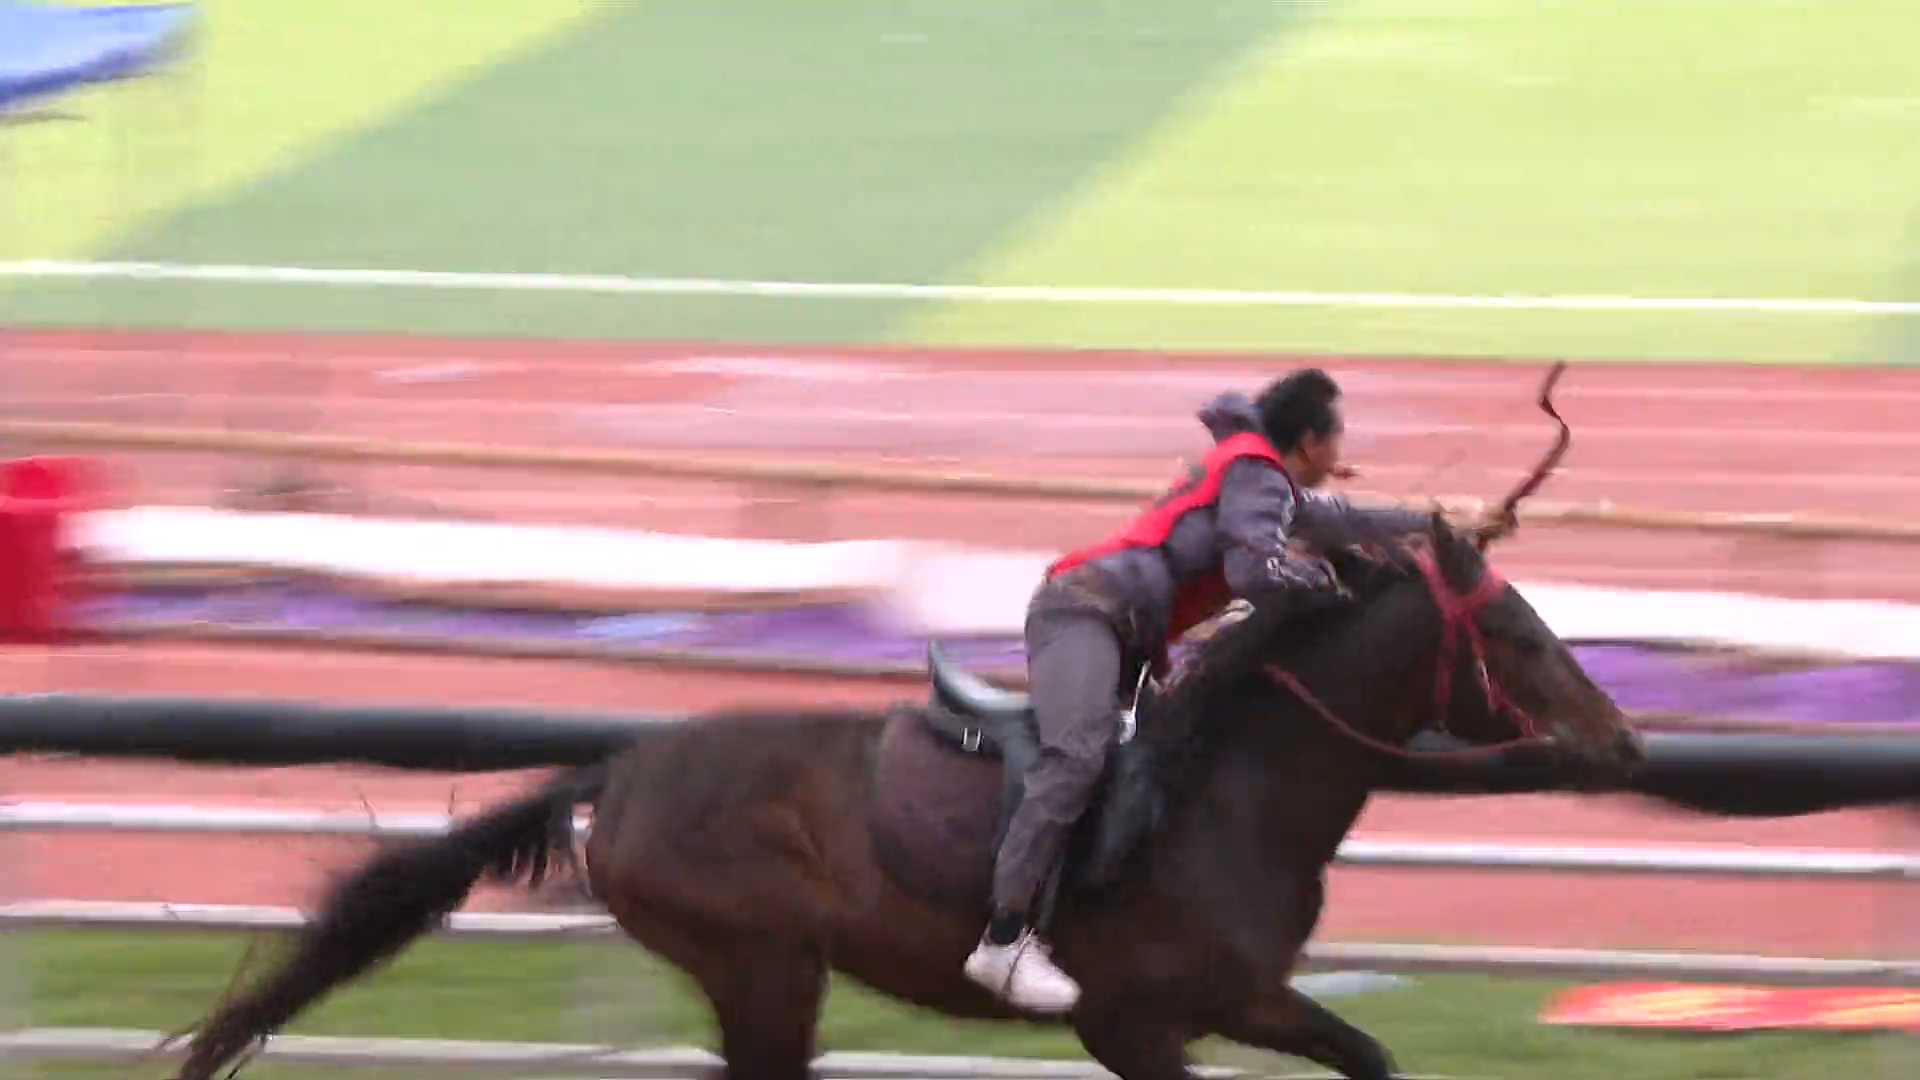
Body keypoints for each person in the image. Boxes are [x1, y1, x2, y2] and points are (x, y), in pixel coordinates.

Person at [960, 368, 1516, 1013]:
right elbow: (1255, 569)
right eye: (1337, 438)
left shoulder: (1259, 476)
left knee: (1138, 768)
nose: (1341, 455)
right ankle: (1002, 942)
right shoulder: (1257, 475)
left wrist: (1445, 525)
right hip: (1084, 612)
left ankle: (1091, 920)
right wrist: (1331, 590)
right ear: (1310, 441)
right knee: (1077, 756)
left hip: (1118, 627)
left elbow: (1340, 518)